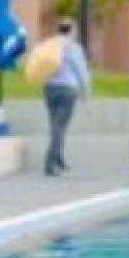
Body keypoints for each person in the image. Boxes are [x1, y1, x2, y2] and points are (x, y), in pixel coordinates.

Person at [43, 18, 91, 177]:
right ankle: (50, 163)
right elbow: (81, 71)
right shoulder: (73, 47)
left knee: (54, 125)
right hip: (67, 90)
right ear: (71, 31)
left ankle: (58, 159)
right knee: (60, 127)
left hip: (49, 89)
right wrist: (86, 93)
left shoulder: (50, 45)